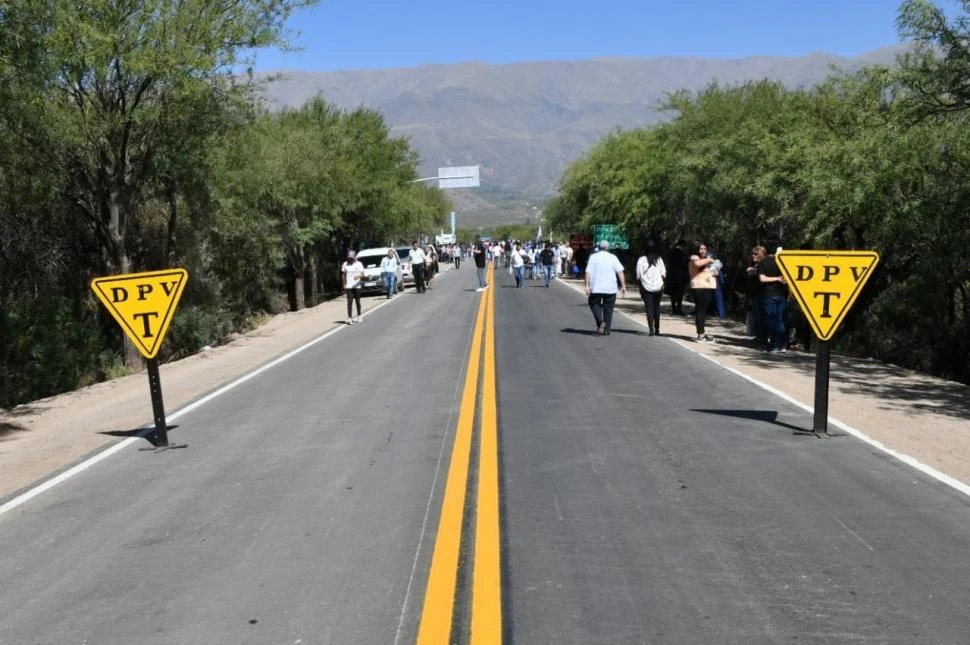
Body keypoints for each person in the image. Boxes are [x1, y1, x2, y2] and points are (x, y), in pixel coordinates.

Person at [585, 240, 626, 335]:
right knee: (609, 308)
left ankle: (600, 321)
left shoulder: (593, 257)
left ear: (598, 247)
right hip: (610, 287)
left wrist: (587, 285)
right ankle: (607, 329)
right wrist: (623, 285)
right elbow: (620, 272)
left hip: (596, 287)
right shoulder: (613, 257)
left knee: (593, 303)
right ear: (608, 248)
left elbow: (588, 272)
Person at [758, 246, 788, 354]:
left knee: (772, 320)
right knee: (780, 320)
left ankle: (774, 345)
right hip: (782, 294)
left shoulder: (763, 262)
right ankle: (783, 344)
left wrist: (776, 278)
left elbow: (762, 279)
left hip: (769, 295)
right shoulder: (784, 262)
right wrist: (780, 278)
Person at [636, 241, 666, 336]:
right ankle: (657, 329)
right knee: (657, 308)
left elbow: (638, 275)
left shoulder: (641, 260)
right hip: (658, 287)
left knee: (649, 308)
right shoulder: (659, 259)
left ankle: (651, 330)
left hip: (646, 287)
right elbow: (663, 273)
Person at [688, 242, 717, 342]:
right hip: (699, 288)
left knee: (703, 312)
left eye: (705, 249)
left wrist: (715, 271)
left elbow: (711, 271)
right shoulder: (694, 258)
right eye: (701, 249)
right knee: (700, 311)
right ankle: (700, 335)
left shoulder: (705, 261)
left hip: (707, 287)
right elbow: (697, 264)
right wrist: (709, 259)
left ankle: (702, 333)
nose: (703, 251)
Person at [745, 246, 768, 345]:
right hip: (754, 294)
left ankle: (763, 337)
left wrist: (753, 271)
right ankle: (758, 336)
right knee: (756, 316)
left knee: (762, 316)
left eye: (756, 254)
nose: (753, 256)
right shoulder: (755, 265)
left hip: (762, 294)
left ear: (761, 255)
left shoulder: (763, 264)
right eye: (753, 254)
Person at [664, 240, 689, 315]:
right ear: (683, 246)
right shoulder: (683, 254)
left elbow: (667, 262)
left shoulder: (670, 252)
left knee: (673, 294)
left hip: (671, 276)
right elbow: (685, 265)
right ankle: (679, 309)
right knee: (679, 294)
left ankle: (673, 309)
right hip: (680, 277)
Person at [341, 250, 365, 324]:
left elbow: (363, 275)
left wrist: (358, 276)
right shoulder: (345, 264)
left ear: (354, 257)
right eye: (349, 258)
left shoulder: (359, 264)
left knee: (357, 301)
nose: (350, 259)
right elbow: (343, 275)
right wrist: (344, 284)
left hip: (357, 286)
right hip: (349, 286)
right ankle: (349, 318)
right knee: (349, 302)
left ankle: (359, 316)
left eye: (352, 258)